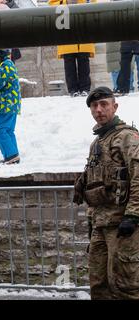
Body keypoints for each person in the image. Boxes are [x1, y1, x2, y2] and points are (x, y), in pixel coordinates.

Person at [73, 87, 139, 300]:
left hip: (123, 227)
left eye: (104, 105)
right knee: (99, 285)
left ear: (114, 106)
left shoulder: (127, 137)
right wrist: (92, 223)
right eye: (94, 106)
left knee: (125, 286)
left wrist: (133, 215)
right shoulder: (97, 142)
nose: (99, 110)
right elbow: (96, 186)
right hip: (101, 226)